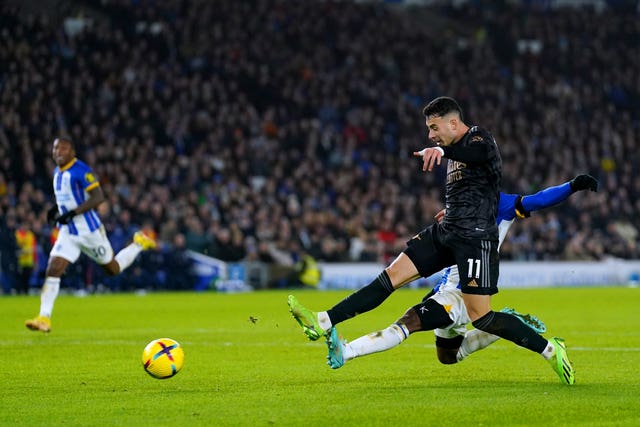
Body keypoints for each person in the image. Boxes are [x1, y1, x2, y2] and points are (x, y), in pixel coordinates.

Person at [288, 97, 578, 385]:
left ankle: (550, 349)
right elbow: (467, 188)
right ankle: (325, 320)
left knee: (482, 318)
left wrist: (440, 149)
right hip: (446, 232)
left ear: (453, 122)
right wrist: (449, 211)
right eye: (429, 129)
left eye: (434, 127)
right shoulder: (454, 154)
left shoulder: (480, 139)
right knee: (389, 278)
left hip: (475, 241)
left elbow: (478, 157)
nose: (431, 134)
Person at [323, 175, 597, 379]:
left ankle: (346, 352)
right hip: (445, 289)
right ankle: (511, 322)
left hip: (462, 293)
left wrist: (572, 186)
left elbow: (538, 199)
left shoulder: (500, 204)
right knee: (448, 357)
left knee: (409, 321)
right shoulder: (460, 206)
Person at [25, 137, 157, 333]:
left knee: (112, 269)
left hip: (90, 232)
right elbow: (68, 198)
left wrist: (73, 213)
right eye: (55, 148)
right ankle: (44, 317)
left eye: (63, 148)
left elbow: (98, 197)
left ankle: (138, 243)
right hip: (68, 232)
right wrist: (57, 210)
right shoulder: (57, 172)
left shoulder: (81, 171)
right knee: (53, 268)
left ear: (72, 151)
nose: (58, 152)